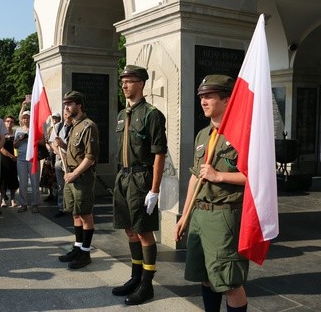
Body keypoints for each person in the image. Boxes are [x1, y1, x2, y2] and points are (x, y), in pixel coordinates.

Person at [175, 75, 248, 312]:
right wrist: (184, 216)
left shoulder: (243, 134)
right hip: (199, 215)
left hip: (224, 217)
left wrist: (220, 176)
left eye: (209, 96)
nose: (203, 101)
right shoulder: (203, 135)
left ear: (227, 100)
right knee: (205, 275)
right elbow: (196, 177)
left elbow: (257, 178)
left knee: (229, 282)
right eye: (201, 97)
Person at [111, 65, 168, 305]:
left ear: (141, 84)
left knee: (144, 232)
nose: (124, 85)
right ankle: (135, 277)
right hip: (123, 178)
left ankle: (147, 284)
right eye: (123, 81)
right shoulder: (122, 115)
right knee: (129, 229)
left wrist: (154, 189)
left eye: (130, 81)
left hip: (141, 178)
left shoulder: (151, 114)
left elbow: (159, 154)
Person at [55, 91, 99, 269]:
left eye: (70, 103)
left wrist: (75, 174)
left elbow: (90, 157)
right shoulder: (74, 126)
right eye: (65, 104)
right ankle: (78, 247)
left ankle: (85, 252)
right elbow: (74, 152)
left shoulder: (89, 126)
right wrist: (62, 146)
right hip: (71, 175)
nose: (66, 107)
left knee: (85, 213)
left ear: (79, 105)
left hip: (81, 177)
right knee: (75, 213)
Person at [13, 111, 41, 213]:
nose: (26, 119)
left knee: (34, 182)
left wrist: (33, 139)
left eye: (28, 117)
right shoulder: (18, 130)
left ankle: (35, 204)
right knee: (23, 183)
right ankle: (23, 204)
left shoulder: (35, 129)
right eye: (24, 118)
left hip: (33, 158)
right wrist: (20, 139)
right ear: (21, 119)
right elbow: (15, 145)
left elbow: (43, 142)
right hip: (21, 158)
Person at [49, 110, 72, 217]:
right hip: (60, 159)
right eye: (65, 113)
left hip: (73, 160)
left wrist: (64, 147)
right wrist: (60, 154)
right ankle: (61, 207)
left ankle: (73, 207)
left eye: (68, 112)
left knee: (73, 185)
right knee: (61, 185)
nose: (66, 115)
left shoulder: (77, 126)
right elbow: (53, 143)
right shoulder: (58, 126)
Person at [0, 115, 19, 207]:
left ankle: (13, 199)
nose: (9, 123)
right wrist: (11, 156)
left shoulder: (15, 133)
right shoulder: (1, 134)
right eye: (7, 121)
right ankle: (3, 200)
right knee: (3, 180)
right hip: (4, 159)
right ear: (4, 122)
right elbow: (1, 149)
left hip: (14, 160)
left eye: (11, 121)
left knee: (13, 179)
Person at [41, 113, 60, 202]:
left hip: (56, 154)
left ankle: (58, 194)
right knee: (48, 175)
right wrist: (46, 145)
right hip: (48, 155)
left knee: (56, 175)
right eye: (53, 118)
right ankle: (51, 193)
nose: (54, 120)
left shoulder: (60, 128)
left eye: (56, 118)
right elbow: (45, 139)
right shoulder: (49, 129)